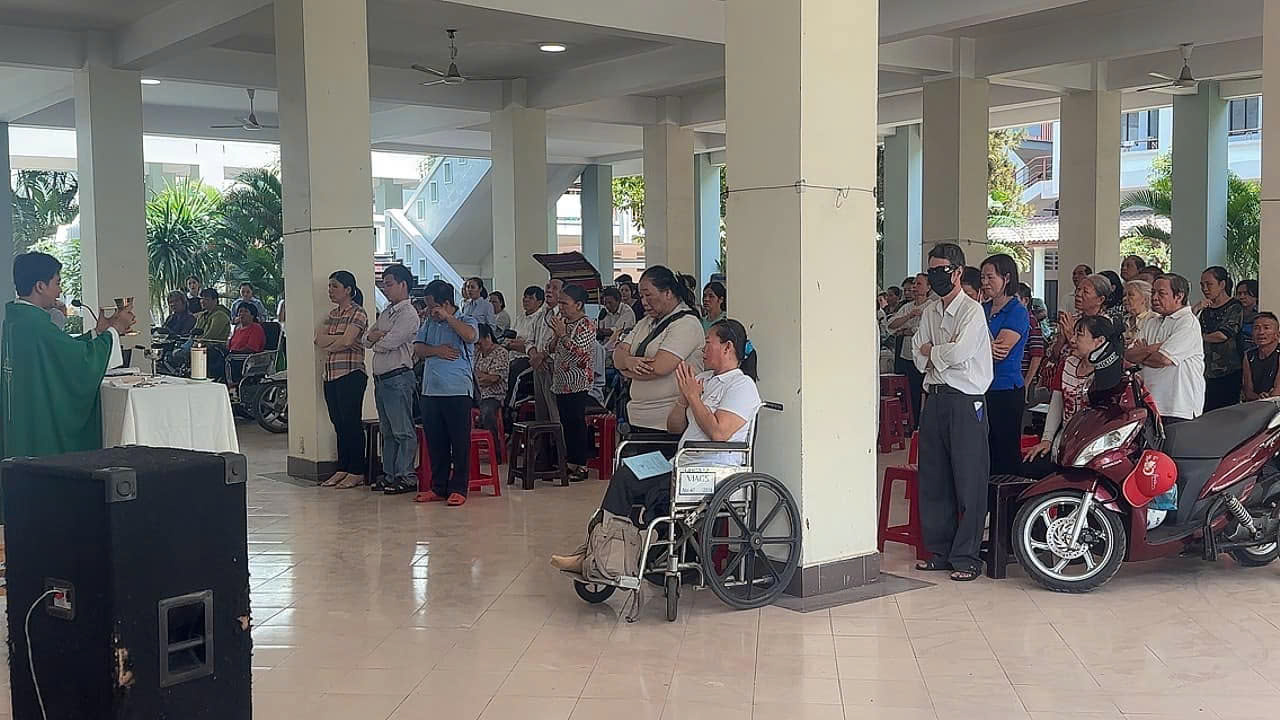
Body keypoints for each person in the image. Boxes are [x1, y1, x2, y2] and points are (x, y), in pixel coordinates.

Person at [550, 319, 761, 573]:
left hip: (709, 469)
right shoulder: (703, 379)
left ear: (727, 347)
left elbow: (719, 432)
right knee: (626, 474)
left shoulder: (742, 386)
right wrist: (683, 400)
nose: (703, 349)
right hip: (682, 463)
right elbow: (674, 427)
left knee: (656, 490)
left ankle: (609, 557)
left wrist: (693, 397)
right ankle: (598, 552)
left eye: (708, 343)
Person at [1, 252, 134, 458]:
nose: (60, 290)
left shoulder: (17, 320)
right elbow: (80, 362)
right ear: (40, 286)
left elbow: (60, 351)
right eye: (57, 282)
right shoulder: (36, 326)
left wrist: (98, 333)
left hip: (22, 419)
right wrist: (115, 330)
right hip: (40, 426)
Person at [912, 243, 993, 581]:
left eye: (941, 271)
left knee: (969, 480)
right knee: (934, 478)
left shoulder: (972, 311)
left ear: (958, 272)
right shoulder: (930, 311)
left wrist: (934, 352)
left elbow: (959, 353)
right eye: (931, 271)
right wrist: (936, 354)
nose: (935, 277)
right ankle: (940, 551)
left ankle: (966, 557)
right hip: (935, 399)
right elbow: (916, 352)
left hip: (965, 401)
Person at [1022, 315, 1127, 478]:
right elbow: (1057, 403)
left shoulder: (1111, 375)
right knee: (1029, 465)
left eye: (1079, 335)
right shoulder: (1067, 364)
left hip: (1094, 446)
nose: (1072, 340)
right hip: (1065, 440)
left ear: (1099, 341)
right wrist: (1047, 439)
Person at [613, 266, 706, 437]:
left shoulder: (686, 324)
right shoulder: (645, 322)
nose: (644, 302)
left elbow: (658, 368)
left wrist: (625, 370)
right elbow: (618, 353)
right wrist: (627, 362)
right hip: (637, 419)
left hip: (668, 422)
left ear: (668, 293)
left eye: (648, 295)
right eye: (641, 296)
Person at [414, 280, 479, 506]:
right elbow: (418, 348)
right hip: (430, 390)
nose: (428, 310)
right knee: (436, 442)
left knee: (459, 442)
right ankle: (438, 487)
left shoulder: (466, 319)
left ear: (445, 303)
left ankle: (459, 487)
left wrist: (448, 318)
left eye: (431, 305)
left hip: (457, 391)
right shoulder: (429, 323)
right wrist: (437, 351)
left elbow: (470, 336)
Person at [366, 264, 422, 495]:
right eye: (383, 284)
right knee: (387, 431)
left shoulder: (408, 314)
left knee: (402, 430)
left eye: (389, 284)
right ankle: (389, 474)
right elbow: (366, 339)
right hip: (381, 379)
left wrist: (377, 339)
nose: (385, 289)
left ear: (403, 285)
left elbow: (389, 342)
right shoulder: (387, 312)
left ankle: (406, 475)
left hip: (398, 377)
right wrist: (376, 337)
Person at [1125, 273, 1206, 423]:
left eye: (1161, 293)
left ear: (1179, 296)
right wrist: (1151, 349)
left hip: (1178, 407)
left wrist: (1143, 355)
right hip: (1150, 404)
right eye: (1153, 292)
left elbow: (1163, 359)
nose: (1154, 298)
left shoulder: (1187, 322)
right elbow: (1129, 356)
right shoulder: (1151, 321)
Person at [315, 271, 369, 489]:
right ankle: (342, 468)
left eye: (335, 286)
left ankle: (357, 470)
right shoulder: (332, 314)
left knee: (351, 423)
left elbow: (348, 341)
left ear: (348, 289)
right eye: (329, 286)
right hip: (330, 374)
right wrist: (339, 340)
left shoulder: (358, 312)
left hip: (351, 373)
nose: (330, 290)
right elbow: (318, 339)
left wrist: (337, 341)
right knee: (338, 423)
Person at [981, 254, 1030, 474]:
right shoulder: (981, 309)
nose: (985, 282)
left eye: (990, 277)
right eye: (983, 277)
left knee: (1005, 451)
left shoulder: (1017, 311)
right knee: (984, 450)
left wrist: (972, 347)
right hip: (981, 387)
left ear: (1007, 278)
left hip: (1005, 388)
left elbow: (999, 352)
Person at [550, 284, 598, 482]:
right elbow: (552, 348)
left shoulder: (586, 324)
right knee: (566, 423)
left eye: (565, 303)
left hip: (578, 382)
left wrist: (563, 335)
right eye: (559, 303)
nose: (561, 307)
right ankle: (570, 462)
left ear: (578, 305)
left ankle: (582, 465)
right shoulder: (563, 323)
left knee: (577, 423)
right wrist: (556, 336)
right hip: (561, 381)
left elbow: (581, 354)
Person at [1196, 266, 1244, 412]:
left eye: (1209, 284)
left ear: (1222, 284)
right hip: (1206, 371)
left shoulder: (1235, 307)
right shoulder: (1205, 310)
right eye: (1202, 285)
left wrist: (1199, 338)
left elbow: (1223, 334)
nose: (1205, 289)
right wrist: (1196, 308)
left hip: (1228, 371)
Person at [887, 273, 930, 427]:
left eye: (919, 284)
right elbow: (891, 324)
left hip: (924, 356)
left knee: (923, 391)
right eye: (914, 284)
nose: (914, 287)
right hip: (907, 354)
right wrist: (909, 317)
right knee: (909, 392)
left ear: (928, 287)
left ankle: (923, 424)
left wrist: (908, 330)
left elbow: (925, 330)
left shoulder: (931, 306)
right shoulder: (907, 307)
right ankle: (911, 424)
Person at [528, 278, 563, 424]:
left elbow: (559, 342)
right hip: (538, 366)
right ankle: (543, 439)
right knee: (541, 411)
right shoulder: (540, 315)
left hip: (553, 365)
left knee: (554, 411)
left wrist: (541, 357)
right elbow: (529, 341)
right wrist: (534, 356)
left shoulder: (562, 315)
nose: (549, 290)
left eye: (554, 288)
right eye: (548, 287)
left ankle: (558, 438)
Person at [473, 322, 510, 448]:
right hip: (477, 393)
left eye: (479, 343)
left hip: (494, 396)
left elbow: (494, 378)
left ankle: (494, 448)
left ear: (488, 337)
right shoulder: (477, 353)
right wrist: (483, 376)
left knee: (488, 411)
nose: (477, 347)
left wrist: (482, 376)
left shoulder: (501, 352)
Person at [1243, 312, 1280, 401]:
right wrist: (1259, 397)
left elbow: (1277, 391)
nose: (1261, 332)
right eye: (1256, 328)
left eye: (1266, 328)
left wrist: (1267, 398)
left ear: (1277, 334)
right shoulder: (1249, 355)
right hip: (1257, 403)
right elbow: (1248, 392)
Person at [1016, 283, 1045, 395]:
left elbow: (1037, 355)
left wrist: (1026, 384)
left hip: (1024, 379)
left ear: (1025, 301)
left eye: (1015, 299)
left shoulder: (1031, 321)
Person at [1122, 279, 1154, 348]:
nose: (1125, 298)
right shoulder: (1122, 320)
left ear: (1145, 299)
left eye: (1130, 295)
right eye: (1124, 295)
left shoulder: (1152, 320)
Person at [1235, 279, 1259, 354]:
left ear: (1255, 296)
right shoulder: (1233, 313)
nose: (1242, 297)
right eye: (1239, 294)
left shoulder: (1260, 315)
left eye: (1246, 293)